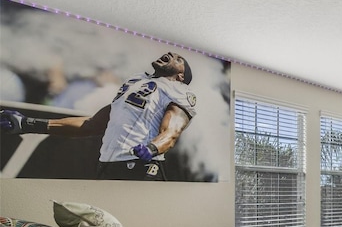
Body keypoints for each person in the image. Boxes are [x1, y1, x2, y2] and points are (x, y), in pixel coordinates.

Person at [0, 52, 197, 180]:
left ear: (181, 77)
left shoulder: (178, 91)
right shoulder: (135, 82)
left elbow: (171, 133)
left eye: (179, 60)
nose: (171, 55)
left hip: (140, 167)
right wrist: (28, 123)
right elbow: (91, 125)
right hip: (108, 166)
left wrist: (151, 148)